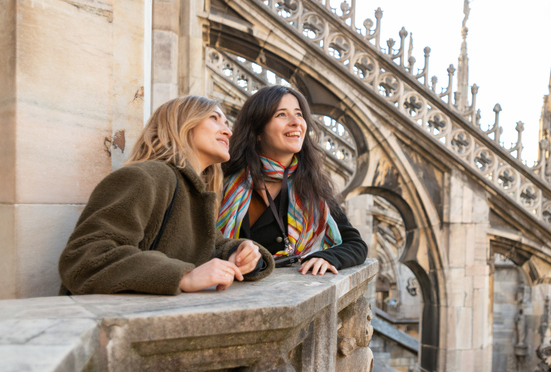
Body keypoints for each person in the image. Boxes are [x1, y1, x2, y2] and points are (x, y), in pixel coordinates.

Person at [59, 95, 274, 295]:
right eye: (214, 118)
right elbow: (84, 258)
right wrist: (184, 276)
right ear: (181, 123)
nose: (228, 132)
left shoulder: (194, 192)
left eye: (227, 123)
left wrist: (240, 253)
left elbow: (211, 245)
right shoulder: (145, 176)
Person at [218, 85, 367, 275]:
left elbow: (356, 244)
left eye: (299, 114)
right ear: (257, 131)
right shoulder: (224, 181)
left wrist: (326, 257)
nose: (296, 122)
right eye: (281, 115)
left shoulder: (312, 185)